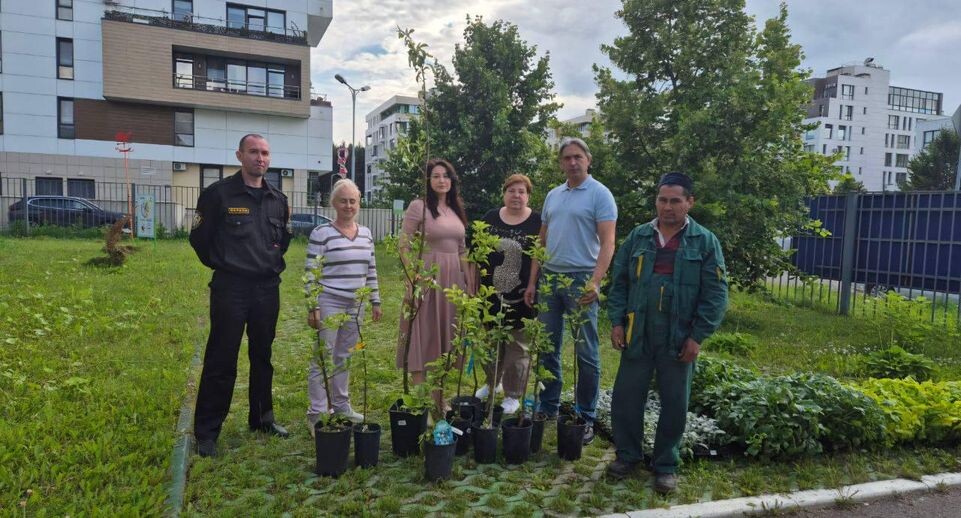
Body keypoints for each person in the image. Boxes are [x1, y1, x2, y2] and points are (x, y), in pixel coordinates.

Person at [605, 172, 728, 494]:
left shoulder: (705, 241)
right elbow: (619, 283)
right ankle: (628, 456)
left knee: (675, 401)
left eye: (675, 201)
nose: (668, 207)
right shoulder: (639, 237)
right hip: (638, 332)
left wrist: (697, 336)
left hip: (679, 335)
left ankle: (665, 465)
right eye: (662, 200)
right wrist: (617, 322)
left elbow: (715, 294)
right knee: (626, 398)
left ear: (690, 202)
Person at [189, 134, 293, 458]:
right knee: (221, 359)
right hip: (230, 289)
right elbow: (200, 241)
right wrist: (227, 265)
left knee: (262, 356)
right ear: (239, 155)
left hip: (266, 289)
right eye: (253, 152)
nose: (259, 158)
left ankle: (262, 418)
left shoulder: (278, 198)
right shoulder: (218, 195)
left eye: (264, 153)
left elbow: (284, 240)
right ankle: (207, 433)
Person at [523, 137, 617, 445]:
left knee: (586, 352)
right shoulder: (554, 195)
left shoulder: (600, 195)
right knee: (547, 347)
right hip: (550, 279)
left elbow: (608, 243)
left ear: (588, 160)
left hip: (580, 280)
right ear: (561, 162)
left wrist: (595, 281)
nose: (573, 162)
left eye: (578, 157)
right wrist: (534, 281)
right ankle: (548, 406)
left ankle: (585, 415)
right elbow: (542, 241)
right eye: (567, 158)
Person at [305, 179, 382, 436]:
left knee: (346, 354)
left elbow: (371, 269)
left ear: (359, 203)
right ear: (333, 203)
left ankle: (341, 405)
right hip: (329, 301)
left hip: (356, 305)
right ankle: (317, 413)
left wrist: (375, 300)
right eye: (343, 200)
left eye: (353, 201)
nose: (348, 205)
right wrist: (312, 307)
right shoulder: (321, 234)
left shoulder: (367, 233)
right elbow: (311, 273)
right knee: (323, 358)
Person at [396, 159, 474, 407]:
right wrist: (413, 277)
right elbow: (404, 245)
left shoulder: (456, 209)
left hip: (453, 284)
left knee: (447, 338)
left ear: (452, 181)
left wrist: (468, 284)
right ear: (428, 181)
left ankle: (439, 398)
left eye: (446, 176)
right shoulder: (418, 207)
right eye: (436, 176)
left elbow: (462, 250)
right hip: (427, 278)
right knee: (423, 333)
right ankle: (423, 401)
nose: (442, 180)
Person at [475, 174, 542, 415]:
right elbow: (477, 252)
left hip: (522, 293)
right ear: (504, 193)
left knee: (517, 344)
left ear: (528, 196)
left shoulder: (537, 221)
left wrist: (533, 284)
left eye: (522, 191)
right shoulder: (491, 218)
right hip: (490, 293)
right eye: (512, 190)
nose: (516, 195)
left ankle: (513, 394)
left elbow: (538, 256)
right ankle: (492, 382)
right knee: (492, 341)